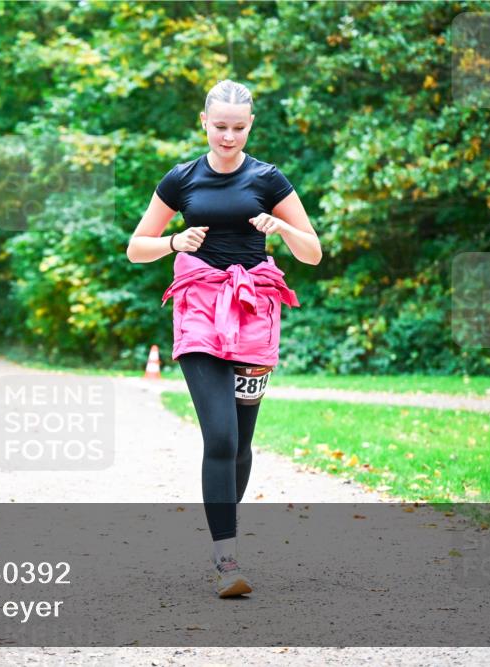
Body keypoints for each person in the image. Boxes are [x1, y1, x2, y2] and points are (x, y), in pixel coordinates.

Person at [126, 79, 322, 598]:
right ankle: (226, 560)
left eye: (238, 127)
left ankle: (222, 533)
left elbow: (313, 252)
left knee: (241, 443)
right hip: (198, 310)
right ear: (204, 122)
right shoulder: (182, 179)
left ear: (250, 126)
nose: (228, 136)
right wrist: (173, 240)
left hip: (254, 311)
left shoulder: (269, 179)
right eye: (219, 127)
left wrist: (281, 230)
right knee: (220, 436)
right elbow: (136, 248)